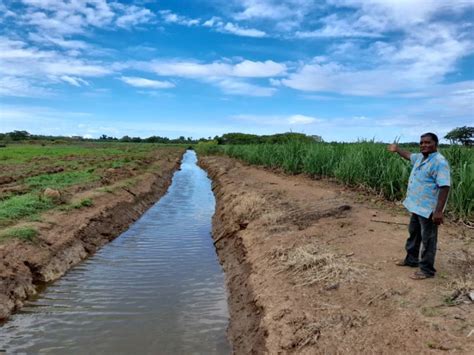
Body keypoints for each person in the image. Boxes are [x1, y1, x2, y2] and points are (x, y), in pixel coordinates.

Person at [388, 133, 451, 280]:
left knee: (428, 239)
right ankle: (411, 260)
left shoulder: (439, 162)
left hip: (429, 208)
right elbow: (409, 155)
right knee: (414, 233)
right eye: (422, 142)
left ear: (436, 144)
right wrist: (397, 149)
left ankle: (427, 270)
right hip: (416, 205)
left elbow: (444, 186)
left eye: (428, 142)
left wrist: (438, 212)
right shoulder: (421, 157)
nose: (424, 145)